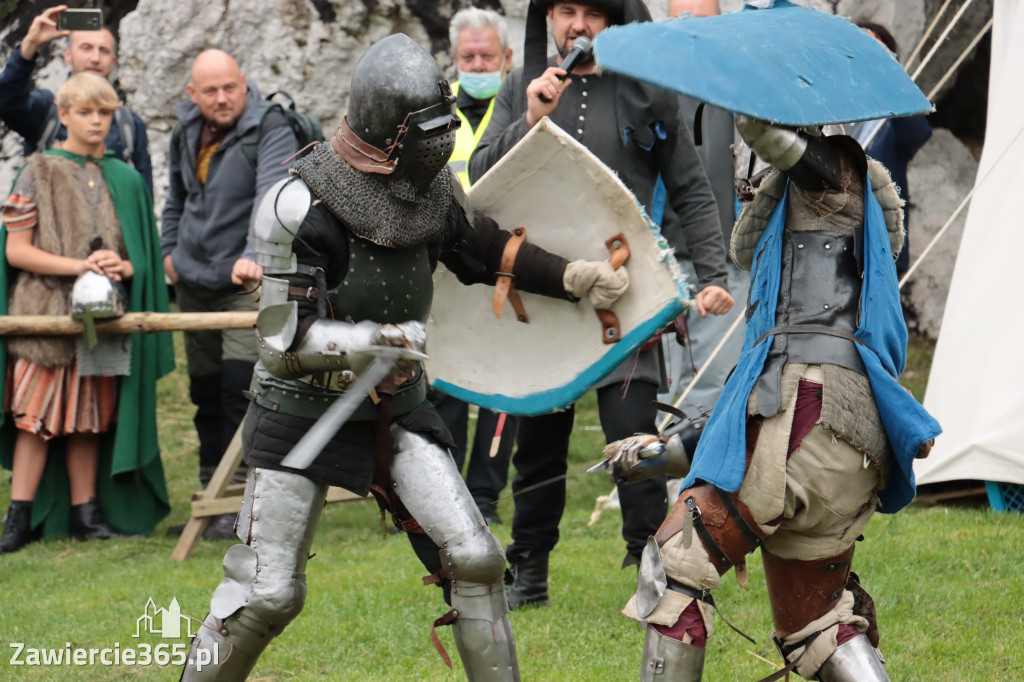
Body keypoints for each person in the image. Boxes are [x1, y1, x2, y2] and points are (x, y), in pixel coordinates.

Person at [179, 33, 629, 680]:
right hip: (302, 413)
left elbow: (484, 249)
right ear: (389, 130)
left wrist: (574, 278)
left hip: (398, 407)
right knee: (268, 594)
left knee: (476, 559)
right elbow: (280, 340)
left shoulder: (430, 190)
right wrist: (373, 341)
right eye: (428, 129)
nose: (440, 140)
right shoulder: (299, 203)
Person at [604, 117, 940, 680]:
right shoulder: (799, 244)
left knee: (672, 569)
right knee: (819, 627)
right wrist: (667, 450)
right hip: (838, 439)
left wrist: (750, 106)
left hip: (809, 420)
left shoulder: (833, 178)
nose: (740, 155)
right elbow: (760, 403)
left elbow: (785, 400)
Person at [468, 0, 733, 608]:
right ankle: (529, 572)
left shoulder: (647, 91)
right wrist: (531, 117)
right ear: (549, 19)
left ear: (617, 22)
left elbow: (692, 188)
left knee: (637, 444)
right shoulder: (521, 88)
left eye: (594, 11)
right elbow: (479, 180)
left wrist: (712, 275)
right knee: (537, 445)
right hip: (545, 295)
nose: (578, 25)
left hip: (627, 299)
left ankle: (654, 571)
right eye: (565, 10)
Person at [0, 73, 174, 554]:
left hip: (106, 316)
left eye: (104, 113)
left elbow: (140, 252)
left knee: (91, 418)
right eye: (85, 112)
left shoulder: (124, 177)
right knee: (33, 416)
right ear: (64, 114)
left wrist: (125, 264)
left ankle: (86, 513)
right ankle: (19, 517)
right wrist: (79, 265)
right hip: (44, 315)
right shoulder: (38, 169)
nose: (96, 121)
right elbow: (16, 251)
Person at [161, 49, 298, 539]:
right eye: (210, 91)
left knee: (240, 389)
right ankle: (208, 496)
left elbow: (272, 194)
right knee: (204, 392)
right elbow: (175, 198)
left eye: (229, 87)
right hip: (194, 281)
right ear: (192, 94)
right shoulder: (184, 133)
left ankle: (237, 500)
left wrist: (254, 254)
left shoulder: (270, 126)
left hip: (246, 283)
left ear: (244, 82)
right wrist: (167, 253)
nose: (221, 99)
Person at [428, 6, 518, 524]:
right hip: (449, 267)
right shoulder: (437, 115)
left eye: (487, 55)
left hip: (508, 263)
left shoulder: (525, 110)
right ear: (454, 59)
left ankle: (486, 496)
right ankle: (448, 493)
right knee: (449, 383)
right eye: (469, 56)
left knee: (502, 386)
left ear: (506, 59)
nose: (478, 63)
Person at [659, 0, 747, 412]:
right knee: (654, 385)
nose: (692, 34)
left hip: (726, 263)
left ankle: (694, 473)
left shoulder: (744, 94)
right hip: (657, 263)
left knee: (714, 380)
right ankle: (650, 471)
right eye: (682, 25)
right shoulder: (646, 90)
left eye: (703, 25)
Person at [0, 5, 153, 194]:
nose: (95, 58)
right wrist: (30, 46)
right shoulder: (47, 110)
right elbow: (6, 101)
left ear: (113, 62)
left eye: (103, 51)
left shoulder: (129, 124)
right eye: (86, 48)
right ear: (67, 55)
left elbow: (143, 196)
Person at [848, 20, 933, 278]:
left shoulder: (891, 122)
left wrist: (883, 69)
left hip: (879, 259)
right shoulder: (828, 118)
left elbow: (919, 132)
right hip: (831, 256)